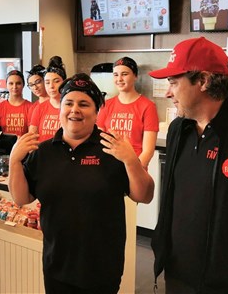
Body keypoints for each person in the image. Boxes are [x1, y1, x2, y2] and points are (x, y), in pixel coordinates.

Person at [9, 73, 154, 293]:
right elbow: (21, 198)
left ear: (97, 112)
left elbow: (145, 195)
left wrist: (131, 160)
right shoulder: (43, 152)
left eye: (84, 104)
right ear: (60, 109)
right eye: (68, 103)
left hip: (102, 269)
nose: (74, 110)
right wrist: (14, 161)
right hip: (56, 265)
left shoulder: (112, 149)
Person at [149, 36, 228, 293]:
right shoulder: (178, 128)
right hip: (178, 275)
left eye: (173, 82)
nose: (168, 92)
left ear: (202, 80)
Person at [96, 57, 159, 169]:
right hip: (108, 168)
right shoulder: (106, 105)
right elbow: (98, 139)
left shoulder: (148, 106)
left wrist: (135, 171)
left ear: (135, 76)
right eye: (115, 75)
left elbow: (148, 151)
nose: (119, 79)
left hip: (135, 168)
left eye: (124, 74)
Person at [29, 56, 66, 142]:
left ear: (64, 82)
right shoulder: (39, 108)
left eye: (56, 81)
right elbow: (31, 139)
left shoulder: (70, 109)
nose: (51, 86)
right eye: (47, 82)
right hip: (42, 154)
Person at [0, 69, 33, 136]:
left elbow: (31, 134)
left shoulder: (31, 107)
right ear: (6, 85)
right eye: (11, 83)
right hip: (4, 146)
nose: (14, 87)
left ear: (23, 85)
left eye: (18, 83)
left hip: (24, 145)